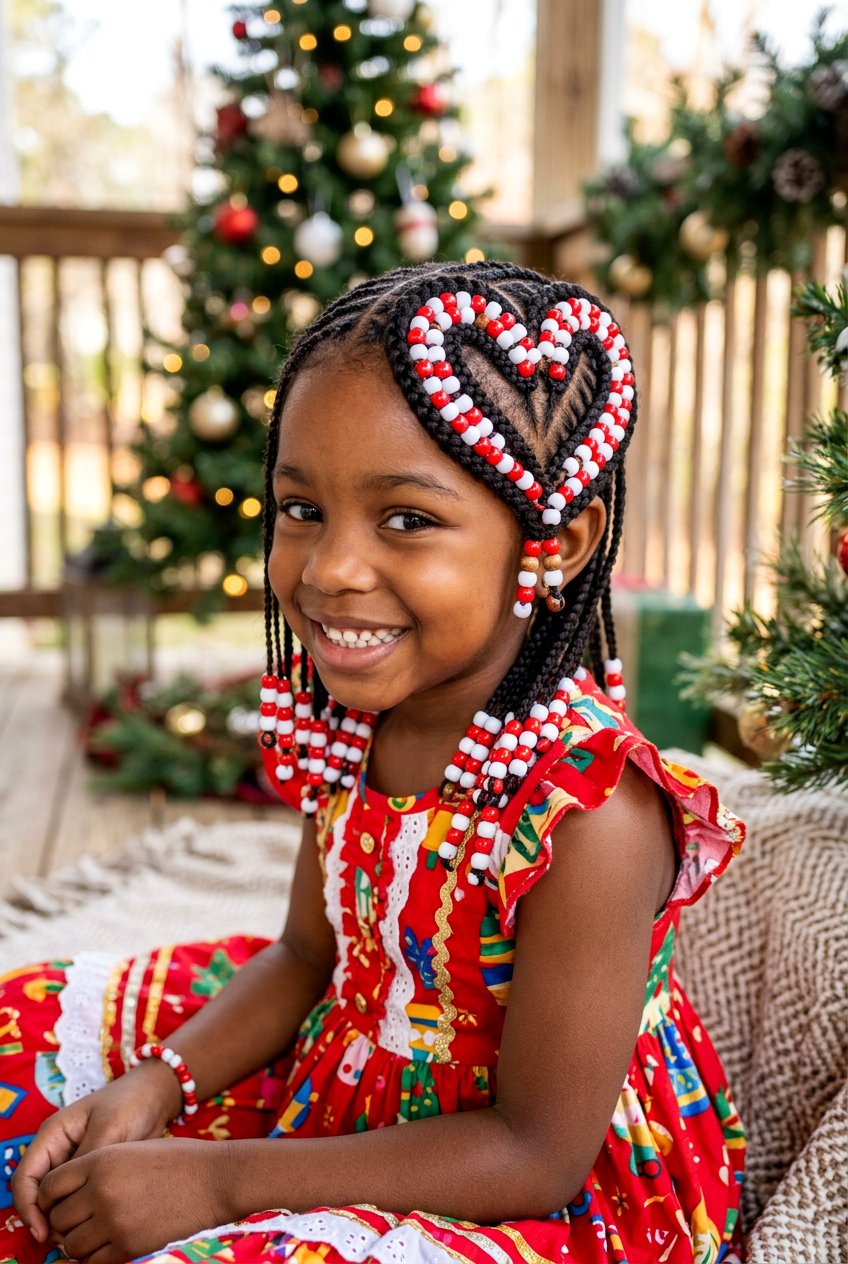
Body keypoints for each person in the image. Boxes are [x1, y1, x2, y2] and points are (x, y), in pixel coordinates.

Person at [0, 261, 746, 1264]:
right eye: (300, 508)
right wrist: (153, 1086)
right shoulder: (356, 717)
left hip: (511, 1183)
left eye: (406, 519)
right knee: (27, 1044)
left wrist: (212, 1181)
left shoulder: (592, 812)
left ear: (557, 542)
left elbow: (536, 1153)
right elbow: (309, 958)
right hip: (342, 1071)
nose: (328, 569)